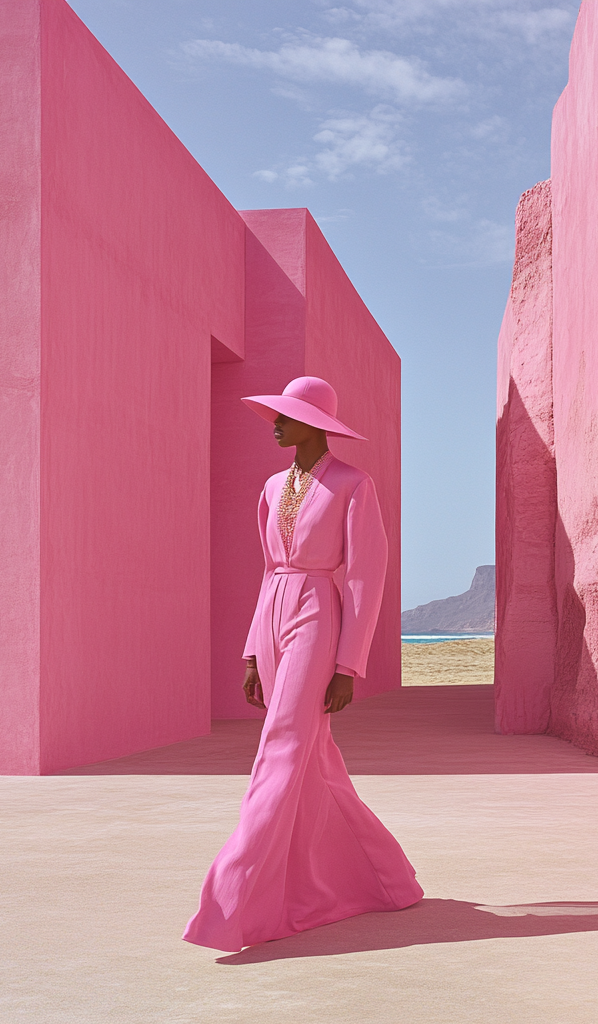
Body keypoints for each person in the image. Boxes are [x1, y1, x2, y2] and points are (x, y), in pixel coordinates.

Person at [182, 376, 424, 953]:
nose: (276, 424)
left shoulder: (352, 485)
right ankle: (386, 879)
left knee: (285, 746)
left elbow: (366, 577)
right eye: (276, 416)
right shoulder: (270, 487)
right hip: (273, 616)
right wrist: (248, 650)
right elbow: (268, 570)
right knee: (316, 761)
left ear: (314, 424)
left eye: (286, 416)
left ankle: (231, 899)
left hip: (320, 612)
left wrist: (349, 664)